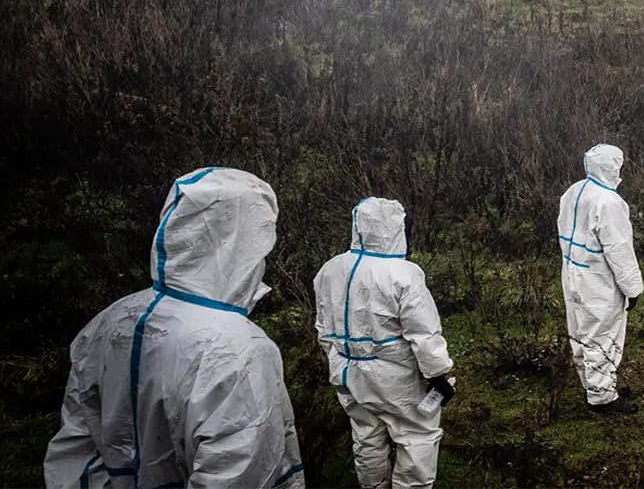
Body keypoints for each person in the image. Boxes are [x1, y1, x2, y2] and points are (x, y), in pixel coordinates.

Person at [46, 168, 306, 488]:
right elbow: (239, 475)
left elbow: (75, 447)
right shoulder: (240, 349)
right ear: (246, 240)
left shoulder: (109, 321)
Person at [314, 198, 454, 489]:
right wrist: (438, 373)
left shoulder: (330, 269)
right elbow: (423, 332)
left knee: (366, 438)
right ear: (395, 228)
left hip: (347, 372)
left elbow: (323, 327)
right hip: (396, 378)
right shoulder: (403, 273)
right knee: (416, 437)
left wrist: (336, 358)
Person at [557, 144, 644, 412]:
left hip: (573, 271)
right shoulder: (610, 202)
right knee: (602, 334)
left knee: (580, 331)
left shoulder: (574, 191)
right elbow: (619, 250)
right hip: (598, 278)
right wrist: (633, 288)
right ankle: (602, 397)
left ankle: (593, 383)